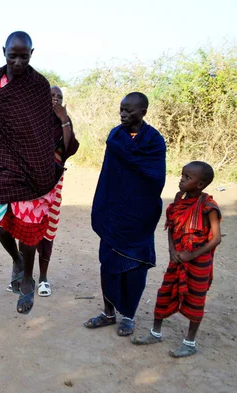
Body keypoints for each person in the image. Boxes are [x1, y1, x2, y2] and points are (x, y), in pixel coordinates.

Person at [0, 31, 63, 314]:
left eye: (24, 56)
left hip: (32, 166)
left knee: (28, 229)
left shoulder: (39, 85)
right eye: (12, 55)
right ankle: (17, 260)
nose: (18, 61)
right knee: (1, 223)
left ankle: (27, 280)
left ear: (32, 54)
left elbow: (42, 129)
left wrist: (44, 160)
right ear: (3, 51)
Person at [85, 92, 166, 336]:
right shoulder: (115, 136)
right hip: (113, 212)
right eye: (121, 109)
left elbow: (156, 177)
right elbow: (109, 175)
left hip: (140, 215)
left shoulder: (154, 141)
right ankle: (109, 313)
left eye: (129, 111)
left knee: (135, 266)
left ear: (143, 112)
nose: (123, 114)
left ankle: (128, 316)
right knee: (108, 263)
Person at [132, 161, 221, 357]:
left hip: (198, 263)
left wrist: (192, 255)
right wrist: (172, 249)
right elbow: (171, 226)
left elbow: (215, 239)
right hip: (178, 259)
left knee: (196, 300)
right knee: (165, 292)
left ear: (200, 184)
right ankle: (156, 333)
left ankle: (189, 342)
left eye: (188, 178)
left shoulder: (209, 207)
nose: (182, 180)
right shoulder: (179, 200)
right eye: (182, 175)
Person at [4, 86, 79, 296]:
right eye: (51, 96)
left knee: (48, 229)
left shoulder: (64, 122)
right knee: (23, 226)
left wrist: (63, 119)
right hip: (28, 184)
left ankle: (43, 278)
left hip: (53, 184)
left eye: (59, 97)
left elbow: (68, 148)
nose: (55, 99)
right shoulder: (31, 120)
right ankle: (21, 275)